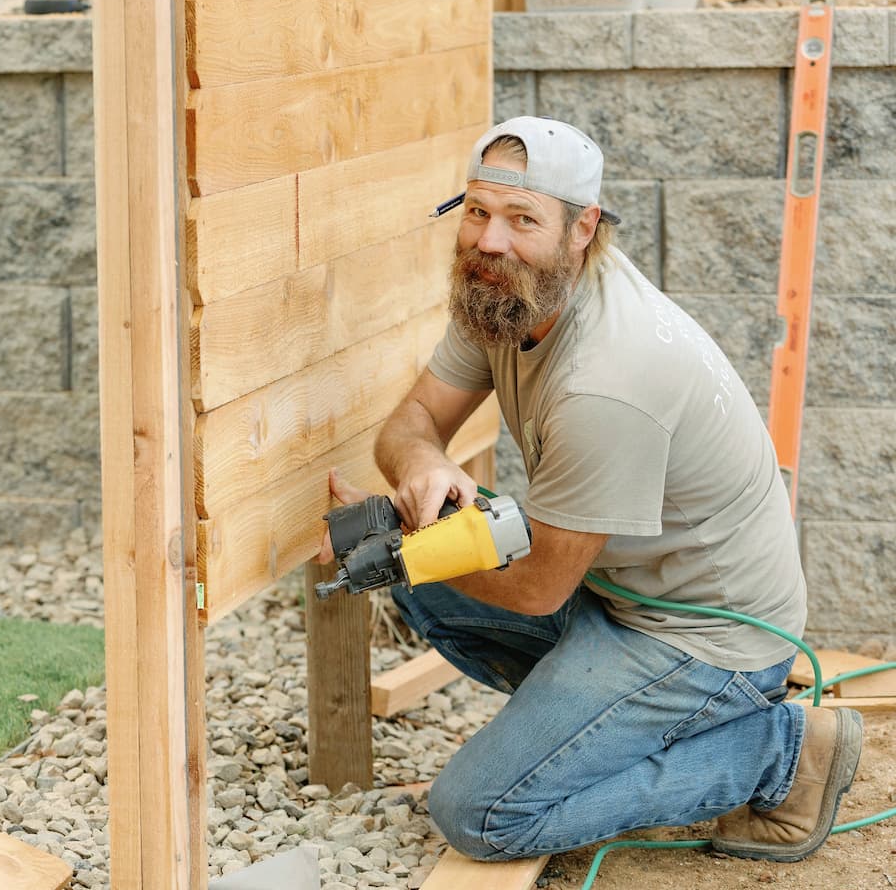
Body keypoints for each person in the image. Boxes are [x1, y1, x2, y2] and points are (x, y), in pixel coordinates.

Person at [318, 116, 862, 864]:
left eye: (521, 220)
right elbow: (412, 421)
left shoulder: (608, 378)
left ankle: (776, 753)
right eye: (476, 211)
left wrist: (403, 547)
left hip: (704, 639)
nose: (489, 240)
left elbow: (539, 587)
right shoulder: (502, 294)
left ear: (583, 228)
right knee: (421, 577)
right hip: (616, 595)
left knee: (479, 813)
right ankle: (599, 725)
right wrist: (420, 471)